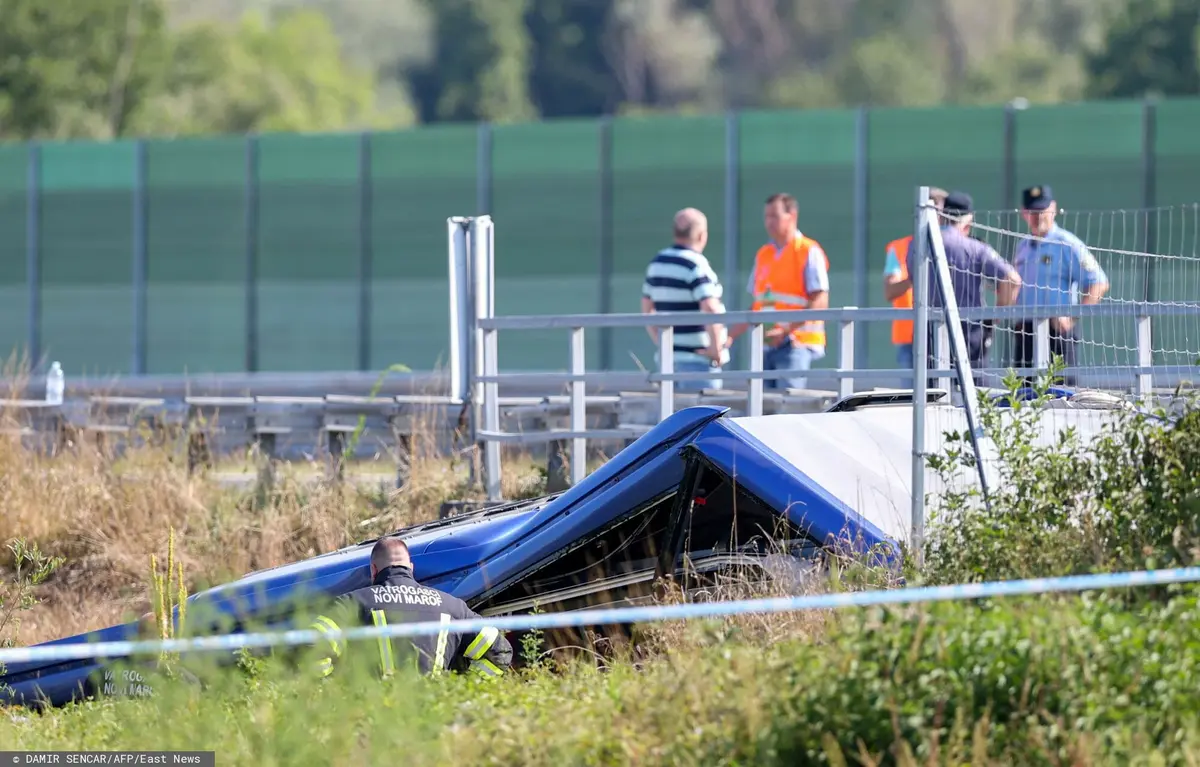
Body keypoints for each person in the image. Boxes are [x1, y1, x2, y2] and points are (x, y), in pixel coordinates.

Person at [305, 536, 513, 680]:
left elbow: (311, 645)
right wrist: (465, 693)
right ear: (411, 569)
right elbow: (500, 652)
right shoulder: (453, 607)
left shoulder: (354, 602)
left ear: (373, 570)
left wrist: (332, 694)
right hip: (438, 718)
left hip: (378, 722)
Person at [912, 190, 1022, 388]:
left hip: (927, 329)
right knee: (974, 392)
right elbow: (1013, 279)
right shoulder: (974, 248)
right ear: (968, 220)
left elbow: (914, 280)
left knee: (931, 396)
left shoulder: (916, 246)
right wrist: (996, 314)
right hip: (969, 330)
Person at [725, 193, 830, 390]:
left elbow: (820, 300)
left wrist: (785, 330)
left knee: (789, 408)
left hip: (795, 344)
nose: (769, 222)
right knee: (765, 409)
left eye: (774, 216)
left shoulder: (808, 250)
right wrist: (730, 336)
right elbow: (757, 304)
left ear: (792, 216)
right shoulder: (764, 254)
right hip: (766, 345)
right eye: (766, 216)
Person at [1011, 185, 1108, 388]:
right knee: (1022, 396)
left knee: (1062, 396)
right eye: (1033, 212)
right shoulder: (1023, 247)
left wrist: (1072, 318)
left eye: (1042, 211)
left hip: (1057, 332)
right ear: (1024, 213)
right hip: (1027, 331)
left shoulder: (1067, 244)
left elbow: (1098, 283)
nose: (1038, 217)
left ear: (1053, 209)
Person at [640, 207, 728, 391]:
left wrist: (660, 339)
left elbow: (646, 307)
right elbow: (710, 308)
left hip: (668, 360)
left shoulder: (657, 263)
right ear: (701, 235)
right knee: (703, 418)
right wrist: (715, 349)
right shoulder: (695, 264)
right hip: (698, 361)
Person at [883, 187, 949, 388]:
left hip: (948, 333)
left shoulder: (955, 246)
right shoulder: (900, 248)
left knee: (949, 398)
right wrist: (916, 274)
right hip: (909, 336)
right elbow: (890, 291)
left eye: (935, 211)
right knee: (911, 399)